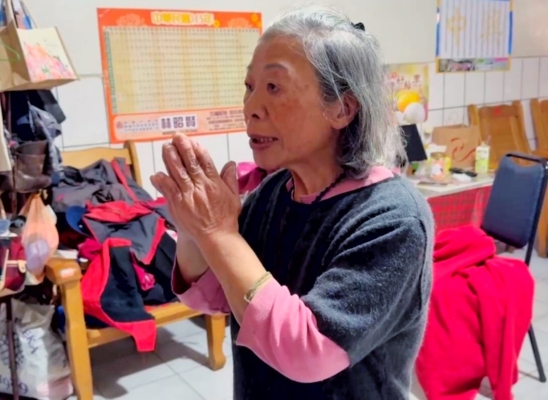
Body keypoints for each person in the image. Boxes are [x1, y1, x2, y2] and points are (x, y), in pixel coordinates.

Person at [150, 5, 433, 400]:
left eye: (273, 87)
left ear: (341, 109)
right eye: (249, 86)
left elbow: (309, 351)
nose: (250, 107)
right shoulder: (273, 192)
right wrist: (194, 231)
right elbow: (218, 296)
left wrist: (219, 234)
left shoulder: (393, 218)